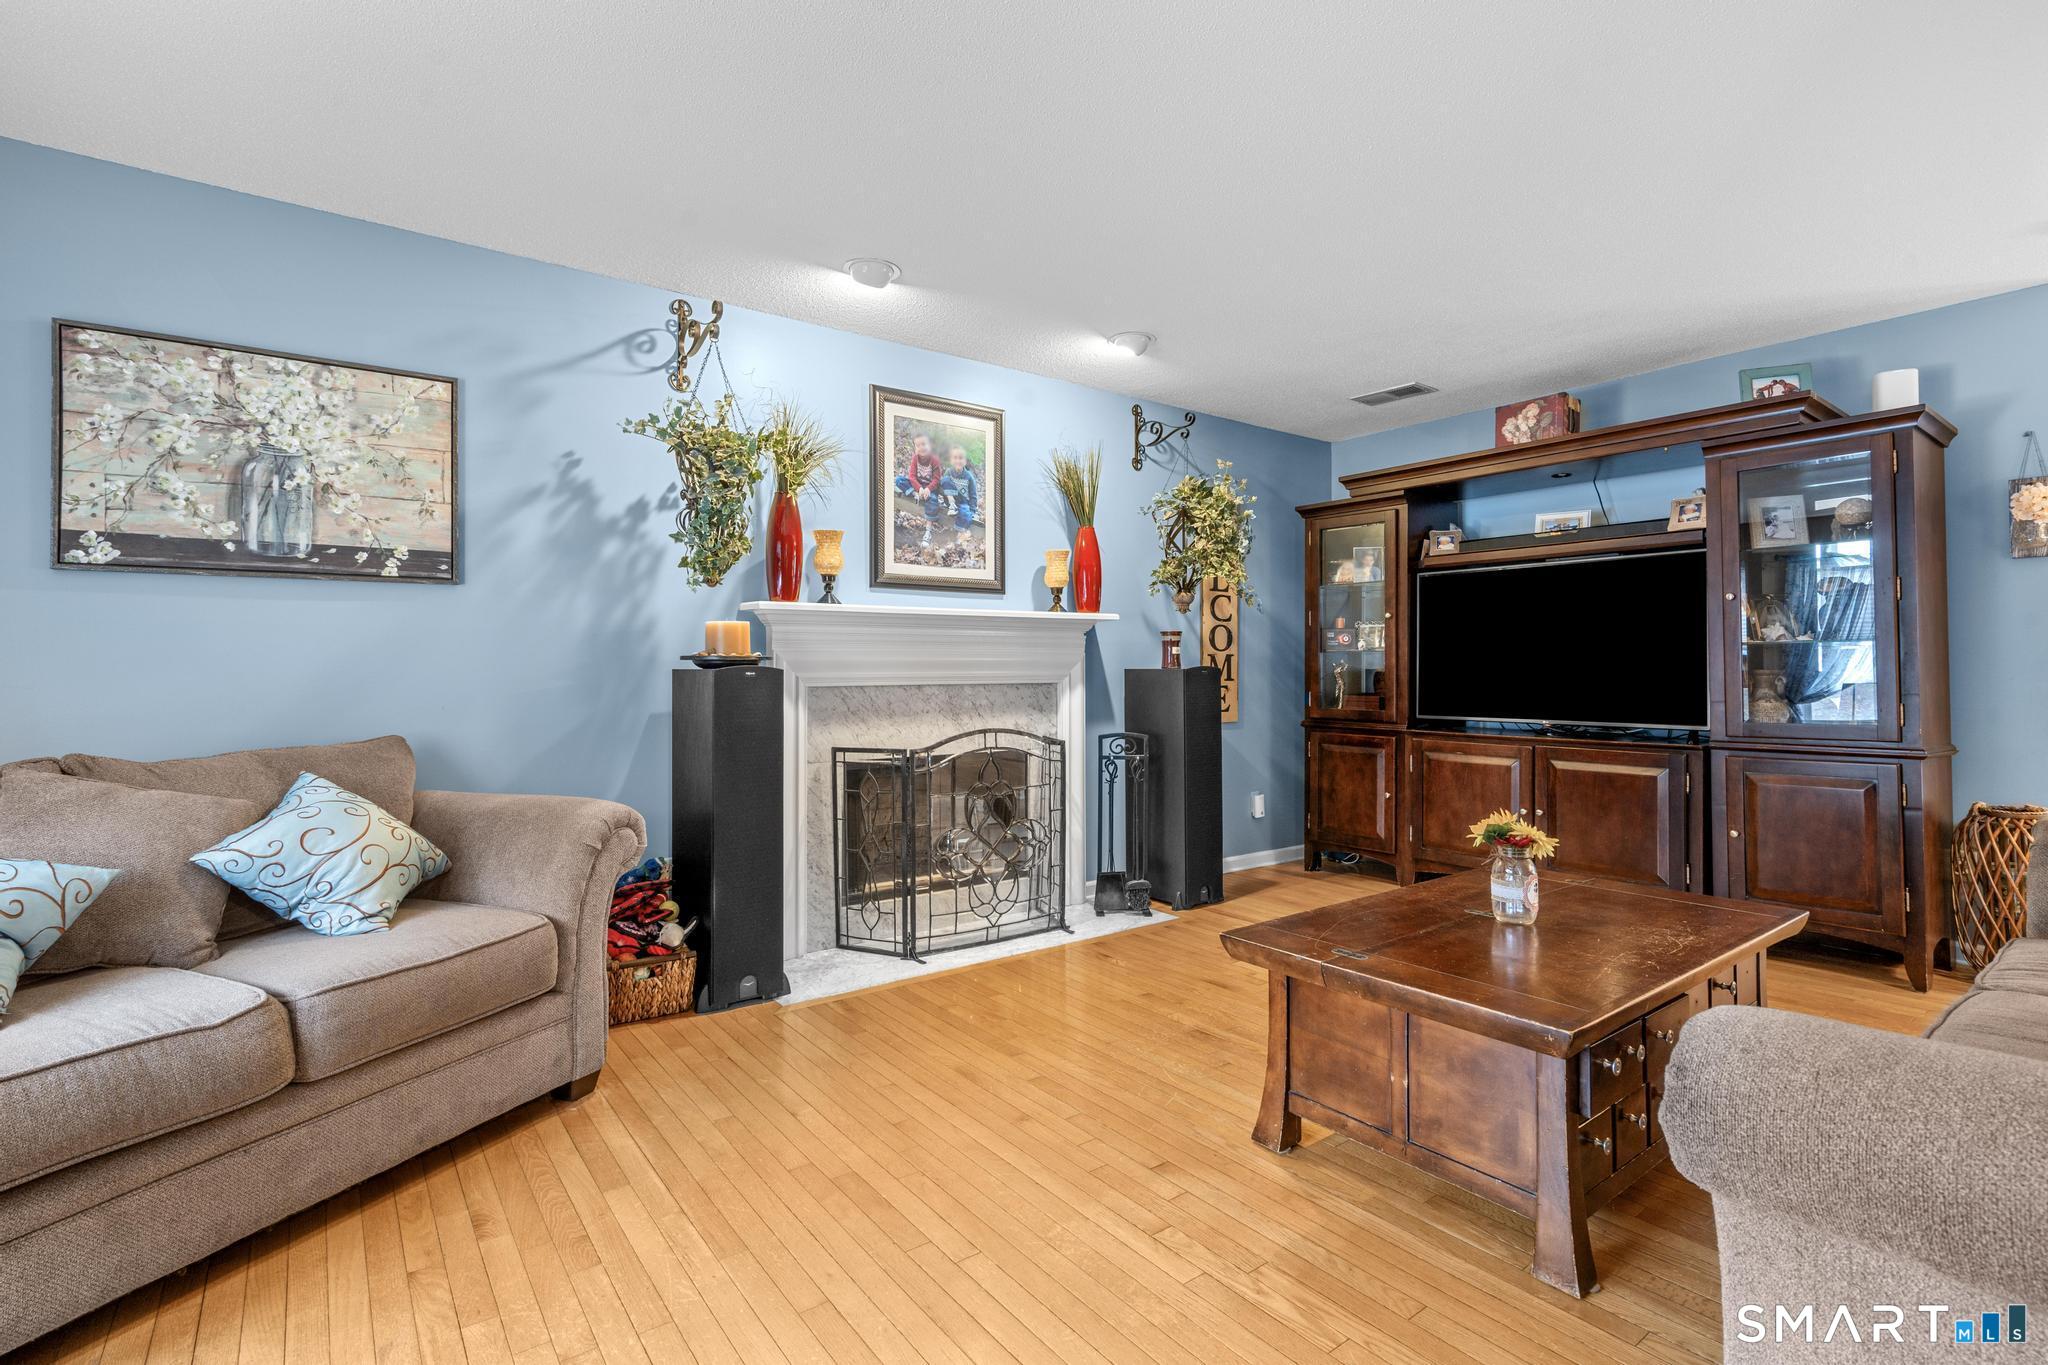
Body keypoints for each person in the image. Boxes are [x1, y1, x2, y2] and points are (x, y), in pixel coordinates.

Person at [894, 432, 945, 547]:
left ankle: (928, 531)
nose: (921, 447)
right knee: (899, 480)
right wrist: (918, 489)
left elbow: (936, 480)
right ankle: (913, 494)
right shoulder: (915, 459)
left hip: (930, 488)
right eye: (918, 445)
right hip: (917, 486)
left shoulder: (934, 460)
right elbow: (911, 476)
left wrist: (927, 489)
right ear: (915, 448)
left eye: (924, 444)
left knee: (932, 501)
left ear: (930, 445)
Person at [939, 444, 980, 546]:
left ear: (965, 461)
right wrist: (948, 499)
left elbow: (973, 495)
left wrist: (973, 510)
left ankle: (959, 533)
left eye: (961, 458)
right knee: (945, 480)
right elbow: (943, 485)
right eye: (955, 458)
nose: (958, 461)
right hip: (951, 500)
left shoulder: (969, 476)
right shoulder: (949, 472)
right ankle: (952, 505)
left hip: (963, 502)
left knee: (966, 513)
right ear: (951, 460)